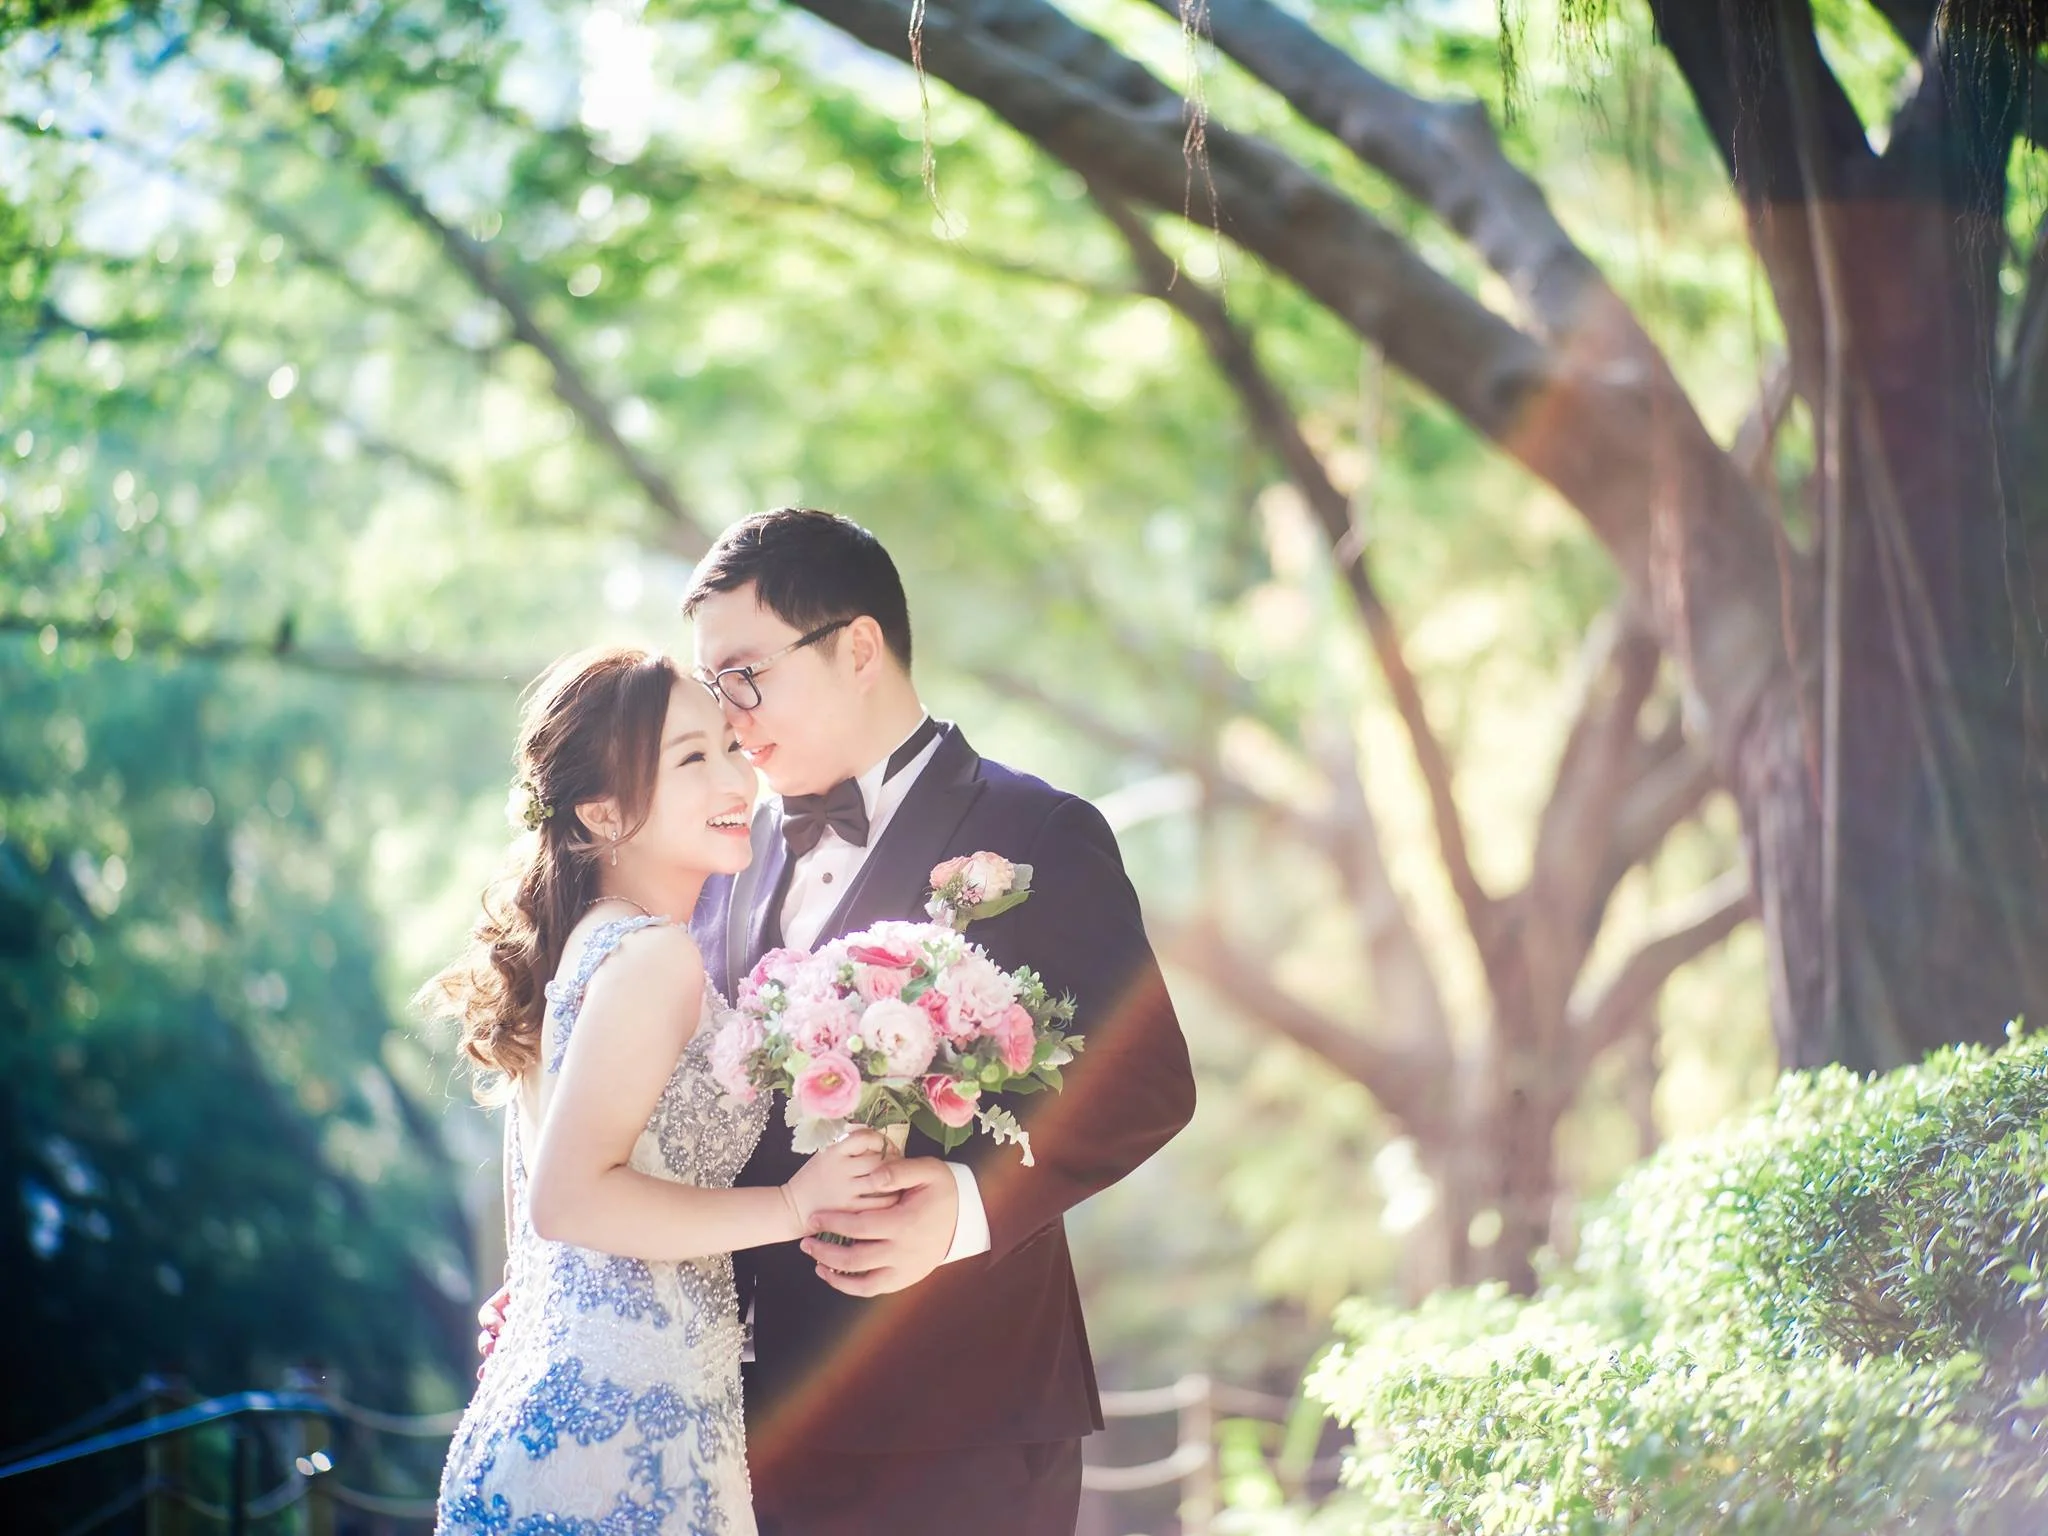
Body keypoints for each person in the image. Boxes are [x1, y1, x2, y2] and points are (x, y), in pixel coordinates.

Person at [686, 509, 1197, 1535]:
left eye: (745, 674)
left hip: (964, 1419)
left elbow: (1147, 1084)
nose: (728, 714)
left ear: (858, 646)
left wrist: (967, 1207)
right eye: (710, 687)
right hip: (748, 1425)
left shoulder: (1034, 831)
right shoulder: (719, 861)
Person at [425, 646, 893, 1536]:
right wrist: (796, 1204)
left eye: (728, 745)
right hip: (621, 1444)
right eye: (692, 758)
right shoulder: (652, 958)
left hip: (584, 1416)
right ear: (602, 813)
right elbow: (570, 1199)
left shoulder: (590, 948)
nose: (736, 777)